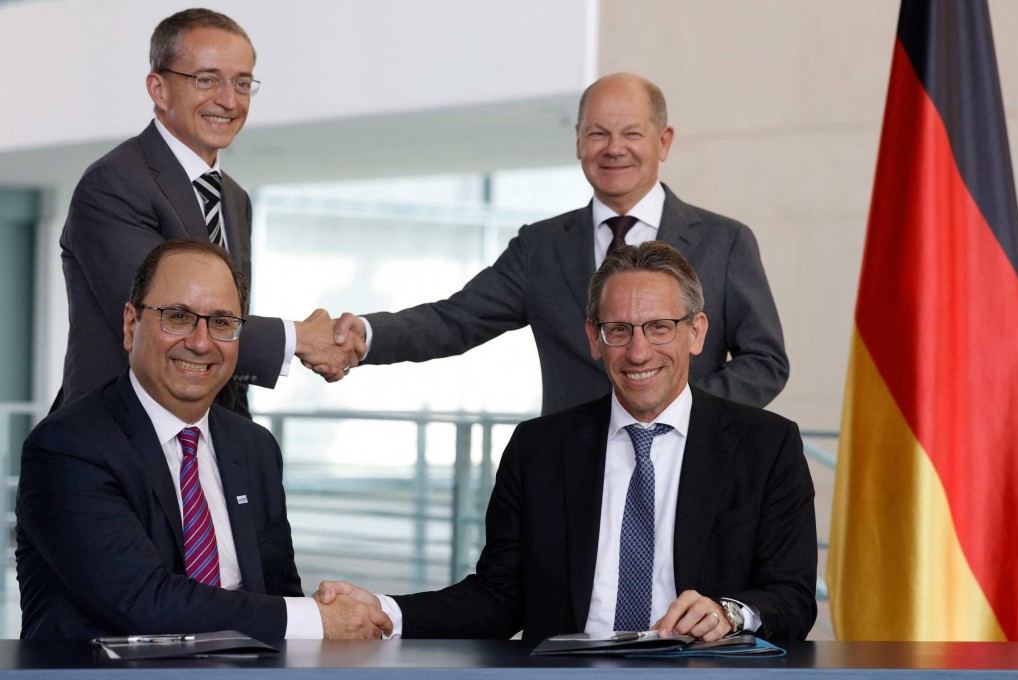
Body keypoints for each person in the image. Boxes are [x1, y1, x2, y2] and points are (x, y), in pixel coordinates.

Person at [320, 241, 817, 641]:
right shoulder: (538, 448)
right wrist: (387, 611)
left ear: (696, 332)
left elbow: (792, 598)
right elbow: (499, 597)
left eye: (659, 328)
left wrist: (729, 613)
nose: (638, 352)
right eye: (618, 330)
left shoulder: (767, 446)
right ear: (594, 338)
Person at [333, 73, 787, 414]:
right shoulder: (540, 247)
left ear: (663, 142)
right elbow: (454, 320)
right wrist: (363, 336)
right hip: (571, 469)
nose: (614, 148)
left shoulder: (725, 242)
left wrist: (680, 409)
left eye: (632, 133)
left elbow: (765, 361)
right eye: (598, 133)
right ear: (578, 142)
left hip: (691, 463)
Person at [16, 239, 390, 640]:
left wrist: (326, 612)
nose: (200, 342)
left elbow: (279, 594)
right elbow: (143, 603)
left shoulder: (255, 448)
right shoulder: (67, 446)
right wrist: (316, 620)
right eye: (178, 317)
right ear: (130, 325)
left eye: (222, 323)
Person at [57, 8, 358, 419]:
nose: (229, 100)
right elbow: (165, 322)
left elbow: (230, 323)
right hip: (114, 433)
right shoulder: (113, 184)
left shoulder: (233, 197)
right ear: (159, 89)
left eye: (242, 83)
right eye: (207, 80)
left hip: (207, 433)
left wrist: (239, 436)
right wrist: (300, 338)